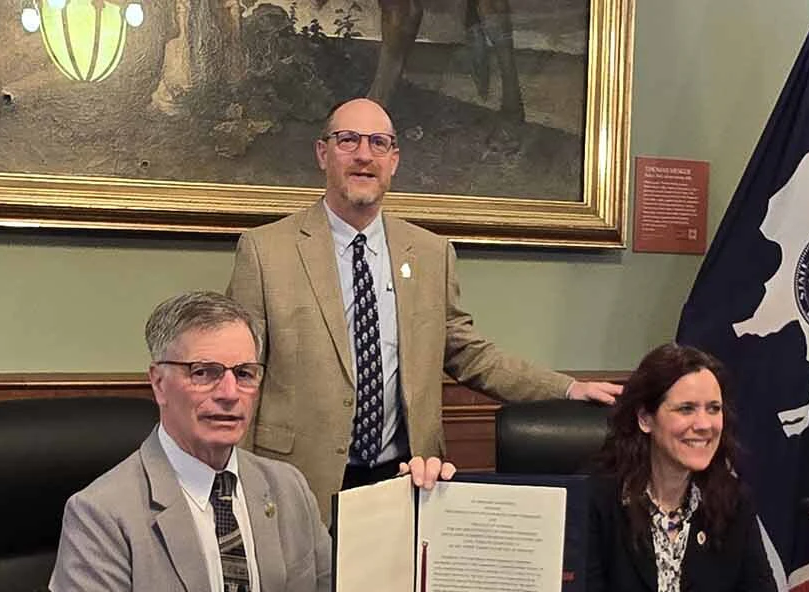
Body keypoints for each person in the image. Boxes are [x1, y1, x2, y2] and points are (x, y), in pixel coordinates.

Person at [48, 291, 455, 592]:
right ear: (158, 383)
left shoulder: (285, 487)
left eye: (244, 374)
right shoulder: (102, 512)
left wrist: (415, 519)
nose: (228, 393)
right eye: (203, 373)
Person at [227, 97, 620, 520]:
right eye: (348, 141)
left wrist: (565, 389)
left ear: (393, 160)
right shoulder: (266, 251)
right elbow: (237, 373)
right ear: (323, 153)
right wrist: (233, 487)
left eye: (379, 143)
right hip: (296, 482)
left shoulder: (431, 253)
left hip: (408, 480)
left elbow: (468, 352)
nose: (364, 155)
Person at [584, 344, 792, 592]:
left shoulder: (730, 499)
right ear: (645, 419)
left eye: (714, 409)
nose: (705, 425)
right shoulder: (596, 497)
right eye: (686, 409)